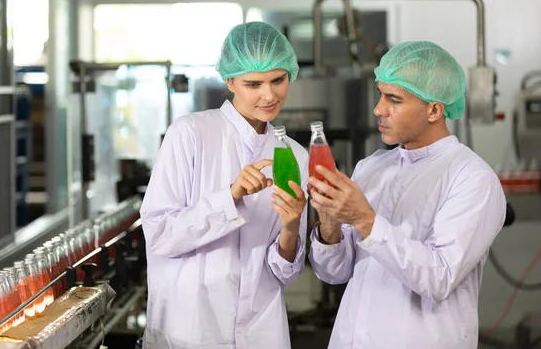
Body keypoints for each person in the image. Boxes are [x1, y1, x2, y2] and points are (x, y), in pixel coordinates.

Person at [307, 41, 506, 349]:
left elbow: (439, 278)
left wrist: (364, 218)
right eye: (380, 94)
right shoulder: (371, 167)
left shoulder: (471, 178)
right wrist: (329, 223)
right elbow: (333, 272)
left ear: (434, 109)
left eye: (394, 99)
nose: (378, 109)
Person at [140, 21, 309, 349]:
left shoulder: (293, 155)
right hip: (189, 332)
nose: (269, 95)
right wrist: (230, 197)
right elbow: (159, 234)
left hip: (262, 333)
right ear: (230, 80)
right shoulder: (190, 134)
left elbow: (284, 273)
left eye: (278, 80)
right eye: (253, 83)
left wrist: (290, 228)